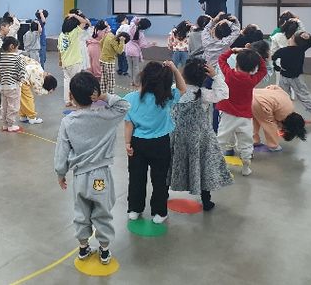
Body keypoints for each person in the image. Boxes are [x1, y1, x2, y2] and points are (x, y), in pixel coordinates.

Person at [54, 71, 130, 265]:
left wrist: (60, 172)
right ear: (94, 94)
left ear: (71, 96)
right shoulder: (106, 116)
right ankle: (104, 249)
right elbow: (124, 105)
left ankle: (83, 247)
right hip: (100, 178)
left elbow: (62, 151)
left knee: (81, 212)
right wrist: (103, 96)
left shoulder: (68, 122)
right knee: (101, 211)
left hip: (80, 177)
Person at [125, 61, 186, 224]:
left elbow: (128, 124)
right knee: (160, 179)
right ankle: (159, 212)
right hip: (160, 143)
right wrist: (174, 69)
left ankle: (135, 209)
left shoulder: (130, 99)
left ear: (143, 78)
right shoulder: (166, 98)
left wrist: (127, 143)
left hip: (137, 143)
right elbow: (183, 88)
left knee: (136, 177)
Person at [169, 58, 232, 211]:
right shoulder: (203, 94)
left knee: (171, 163)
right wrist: (215, 76)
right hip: (199, 137)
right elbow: (224, 93)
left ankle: (162, 193)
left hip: (176, 135)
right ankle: (206, 200)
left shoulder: (174, 89)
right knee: (203, 166)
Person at [216, 48, 267, 176]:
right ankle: (246, 167)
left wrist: (232, 50)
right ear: (253, 68)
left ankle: (217, 166)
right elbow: (263, 70)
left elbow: (221, 59)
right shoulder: (252, 80)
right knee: (246, 142)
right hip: (245, 117)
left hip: (228, 115)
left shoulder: (229, 74)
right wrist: (256, 55)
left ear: (237, 63)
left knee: (221, 139)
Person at [272, 32, 311, 124]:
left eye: (291, 37)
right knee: (304, 94)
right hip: (297, 77)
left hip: (284, 76)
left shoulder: (282, 51)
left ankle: (284, 114)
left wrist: (276, 66)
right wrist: (308, 37)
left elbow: (273, 58)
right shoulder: (301, 49)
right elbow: (310, 43)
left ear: (293, 40)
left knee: (283, 96)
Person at [252, 85, 307, 151]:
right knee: (267, 124)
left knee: (255, 120)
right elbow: (270, 127)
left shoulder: (288, 103)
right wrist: (274, 145)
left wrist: (265, 94)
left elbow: (274, 87)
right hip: (259, 102)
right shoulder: (277, 114)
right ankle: (272, 145)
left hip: (254, 93)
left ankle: (254, 140)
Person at [58, 13, 91, 106]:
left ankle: (67, 101)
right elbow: (84, 22)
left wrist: (60, 60)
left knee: (67, 81)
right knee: (76, 82)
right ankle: (75, 101)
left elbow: (59, 50)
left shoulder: (61, 35)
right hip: (75, 62)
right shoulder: (75, 32)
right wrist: (74, 15)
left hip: (65, 62)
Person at [0, 36, 26, 132]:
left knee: (4, 106)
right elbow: (22, 70)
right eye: (17, 47)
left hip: (2, 86)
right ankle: (11, 125)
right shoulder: (17, 57)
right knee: (13, 106)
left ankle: (5, 124)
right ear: (12, 46)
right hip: (13, 86)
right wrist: (22, 80)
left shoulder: (0, 57)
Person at [19, 55, 57, 124]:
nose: (48, 73)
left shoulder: (40, 68)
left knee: (23, 100)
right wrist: (47, 92)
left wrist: (21, 57)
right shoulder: (39, 78)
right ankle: (32, 118)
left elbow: (30, 60)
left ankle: (23, 116)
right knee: (28, 99)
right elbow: (38, 91)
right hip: (22, 81)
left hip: (19, 77)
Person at [125, 18, 155, 87]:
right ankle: (136, 82)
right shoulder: (141, 34)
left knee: (130, 67)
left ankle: (131, 82)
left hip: (128, 50)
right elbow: (143, 45)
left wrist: (138, 19)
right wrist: (151, 44)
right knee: (136, 67)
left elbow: (133, 20)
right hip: (135, 52)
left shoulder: (132, 27)